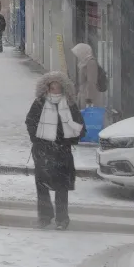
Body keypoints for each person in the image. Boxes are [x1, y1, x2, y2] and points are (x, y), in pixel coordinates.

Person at [24, 71, 86, 230]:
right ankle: (45, 216)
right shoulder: (39, 103)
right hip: (43, 150)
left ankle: (62, 218)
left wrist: (68, 140)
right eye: (52, 86)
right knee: (42, 186)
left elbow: (80, 126)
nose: (55, 89)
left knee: (61, 187)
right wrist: (37, 139)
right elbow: (30, 122)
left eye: (58, 86)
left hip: (62, 151)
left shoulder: (70, 105)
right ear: (46, 88)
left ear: (63, 88)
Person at [71, 43, 102, 107]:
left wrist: (89, 98)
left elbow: (92, 81)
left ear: (83, 52)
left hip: (88, 98)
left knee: (88, 115)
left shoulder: (91, 62)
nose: (77, 55)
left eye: (78, 52)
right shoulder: (84, 62)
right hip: (84, 94)